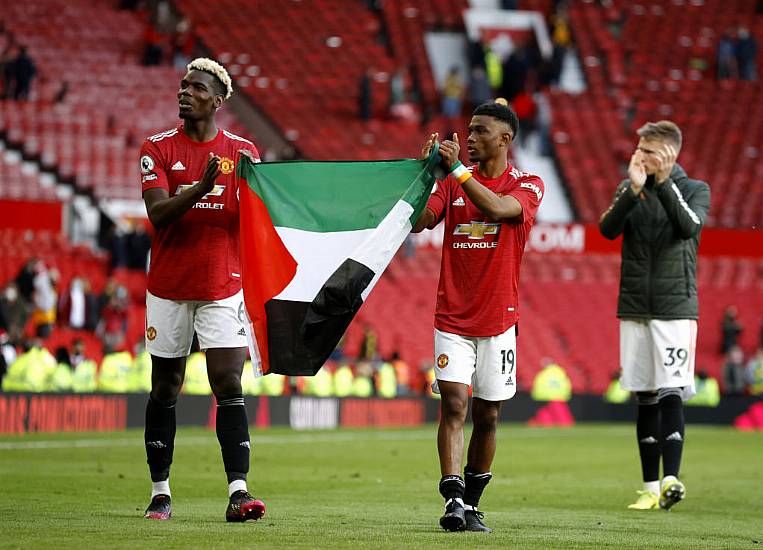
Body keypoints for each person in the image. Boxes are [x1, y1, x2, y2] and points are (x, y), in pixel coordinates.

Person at [139, 57, 265, 522]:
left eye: (195, 88)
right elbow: (159, 214)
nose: (184, 93)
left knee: (228, 381)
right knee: (166, 386)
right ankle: (160, 492)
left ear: (216, 100)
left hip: (222, 284)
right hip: (169, 286)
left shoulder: (244, 151)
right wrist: (203, 186)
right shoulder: (156, 148)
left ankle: (238, 491)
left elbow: (258, 215)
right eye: (182, 85)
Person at [412, 99, 544, 532]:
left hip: (500, 322)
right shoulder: (449, 184)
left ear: (505, 138)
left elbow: (500, 210)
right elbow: (420, 222)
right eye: (468, 131)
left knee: (488, 415)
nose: (469, 138)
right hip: (452, 317)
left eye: (479, 131)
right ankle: (452, 498)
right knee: (454, 403)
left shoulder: (528, 183)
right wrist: (425, 176)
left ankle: (472, 502)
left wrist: (456, 173)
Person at [599, 120, 711, 512]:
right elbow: (607, 229)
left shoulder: (696, 189)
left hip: (674, 308)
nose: (638, 155)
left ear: (668, 153)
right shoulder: (631, 188)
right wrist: (633, 190)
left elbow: (688, 227)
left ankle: (671, 480)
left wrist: (662, 183)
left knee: (671, 390)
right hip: (634, 307)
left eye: (646, 150)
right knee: (644, 394)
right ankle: (649, 488)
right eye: (639, 148)